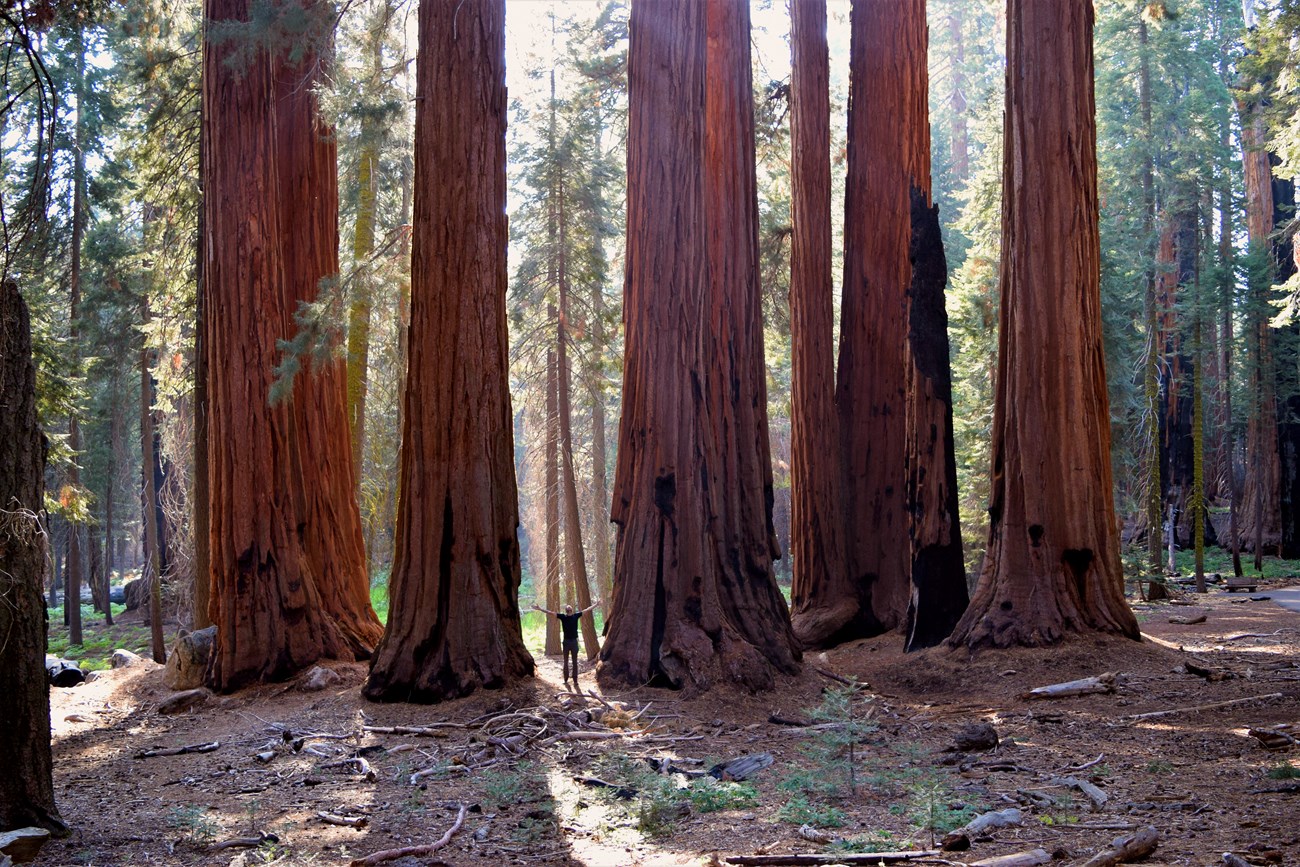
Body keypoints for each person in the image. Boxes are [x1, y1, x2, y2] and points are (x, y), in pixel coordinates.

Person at [533, 599, 600, 690]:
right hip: (567, 642)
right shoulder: (563, 617)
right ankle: (566, 679)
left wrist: (596, 604)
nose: (569, 609)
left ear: (571, 610)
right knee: (565, 661)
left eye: (569, 608)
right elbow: (550, 612)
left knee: (574, 661)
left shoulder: (576, 616)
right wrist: (540, 609)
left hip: (573, 642)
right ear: (568, 610)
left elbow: (587, 610)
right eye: (568, 608)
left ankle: (575, 680)